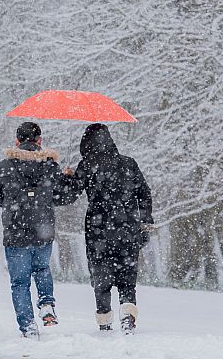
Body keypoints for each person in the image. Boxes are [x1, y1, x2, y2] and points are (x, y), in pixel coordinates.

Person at [0, 122, 77, 338]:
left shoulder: (5, 166)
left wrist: (13, 201)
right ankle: (46, 304)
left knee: (19, 283)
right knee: (42, 269)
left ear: (17, 142)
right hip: (42, 230)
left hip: (15, 233)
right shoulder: (50, 166)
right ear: (39, 141)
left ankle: (28, 326)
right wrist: (68, 180)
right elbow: (64, 197)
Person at [66, 123, 153, 334]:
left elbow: (68, 195)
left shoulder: (86, 165)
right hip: (127, 227)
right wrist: (145, 221)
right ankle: (127, 317)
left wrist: (67, 177)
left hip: (99, 230)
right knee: (127, 277)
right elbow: (144, 193)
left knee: (101, 276)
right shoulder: (128, 163)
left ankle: (104, 319)